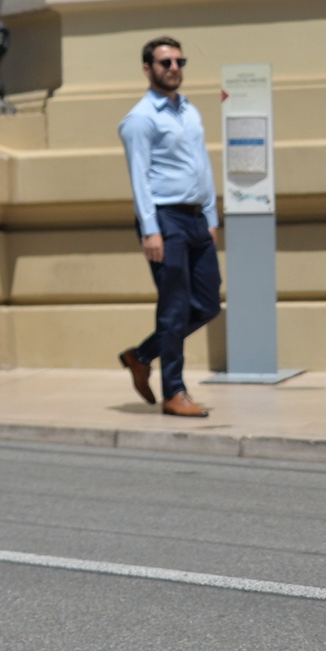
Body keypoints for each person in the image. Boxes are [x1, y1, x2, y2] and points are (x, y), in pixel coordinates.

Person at [115, 36, 220, 417]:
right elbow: (139, 178)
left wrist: (210, 216)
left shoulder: (189, 111)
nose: (174, 68)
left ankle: (141, 356)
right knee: (174, 308)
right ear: (148, 69)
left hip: (195, 218)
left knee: (207, 305)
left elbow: (203, 166)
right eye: (165, 63)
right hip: (165, 219)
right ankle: (174, 393)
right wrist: (150, 229)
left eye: (179, 61)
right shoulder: (140, 119)